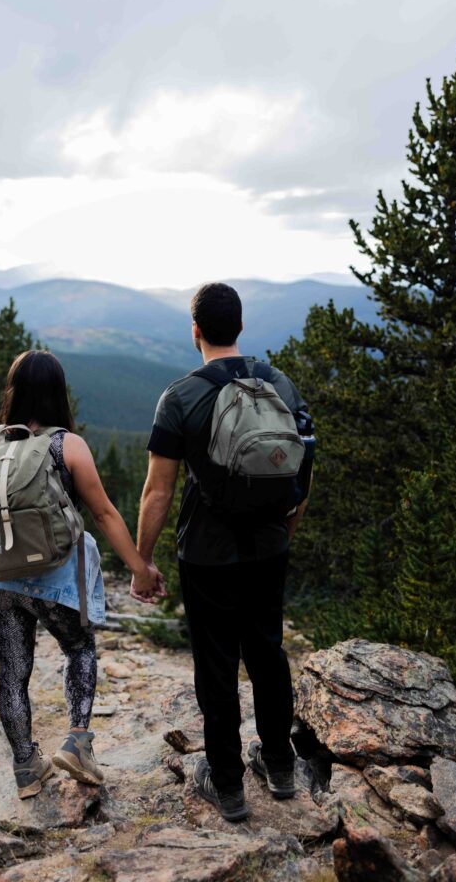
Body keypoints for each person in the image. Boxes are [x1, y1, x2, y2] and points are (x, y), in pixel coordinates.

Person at [132, 282, 313, 822]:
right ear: (239, 326)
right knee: (267, 654)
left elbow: (157, 492)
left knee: (216, 667)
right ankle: (281, 768)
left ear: (195, 331)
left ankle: (229, 786)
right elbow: (303, 471)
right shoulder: (280, 384)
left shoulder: (181, 396)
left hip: (207, 555)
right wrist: (285, 530)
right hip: (268, 545)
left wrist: (143, 562)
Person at [0, 350, 163, 798]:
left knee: (13, 670)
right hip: (50, 578)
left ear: (13, 391)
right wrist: (140, 569)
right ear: (58, 393)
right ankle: (76, 742)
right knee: (79, 647)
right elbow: (105, 514)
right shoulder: (67, 445)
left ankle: (27, 767)